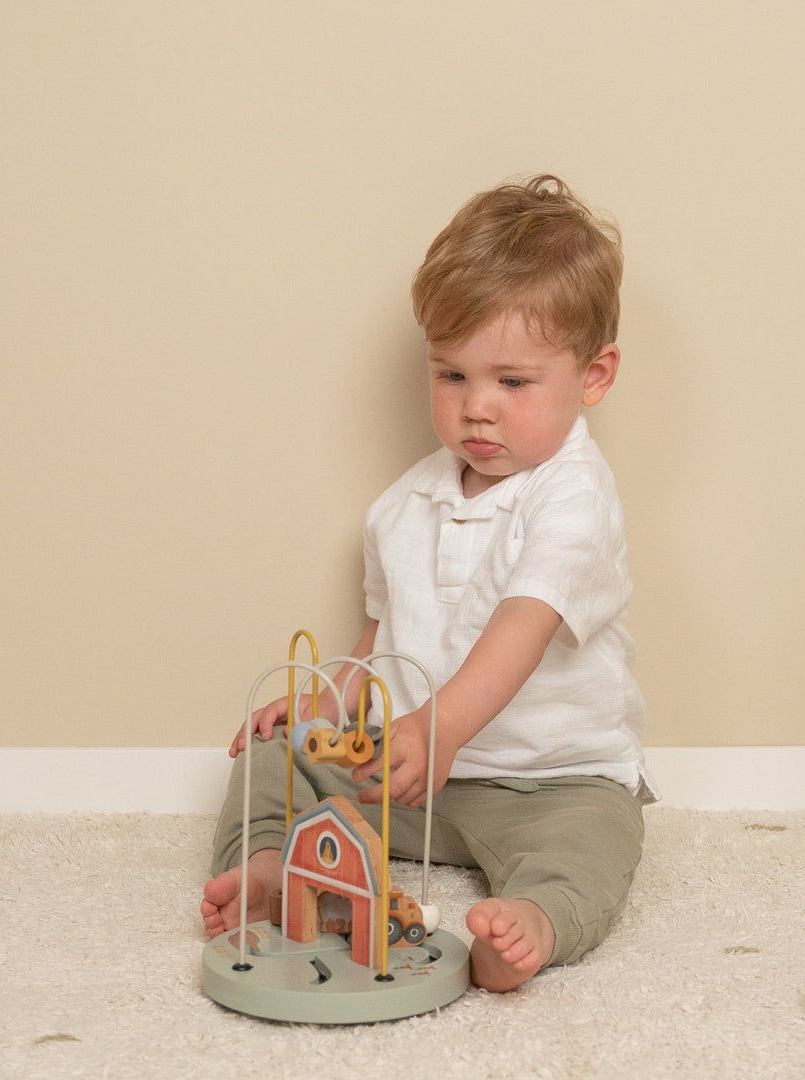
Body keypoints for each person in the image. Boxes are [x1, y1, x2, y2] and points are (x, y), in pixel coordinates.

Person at [201, 175, 657, 993]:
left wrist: (442, 727)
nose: (477, 408)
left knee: (591, 845)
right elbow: (385, 638)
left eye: (512, 383)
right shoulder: (406, 502)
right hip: (414, 778)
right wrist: (327, 699)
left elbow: (523, 623)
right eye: (452, 376)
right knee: (275, 750)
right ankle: (271, 870)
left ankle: (535, 924)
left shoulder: (575, 496)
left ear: (594, 376)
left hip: (549, 780)